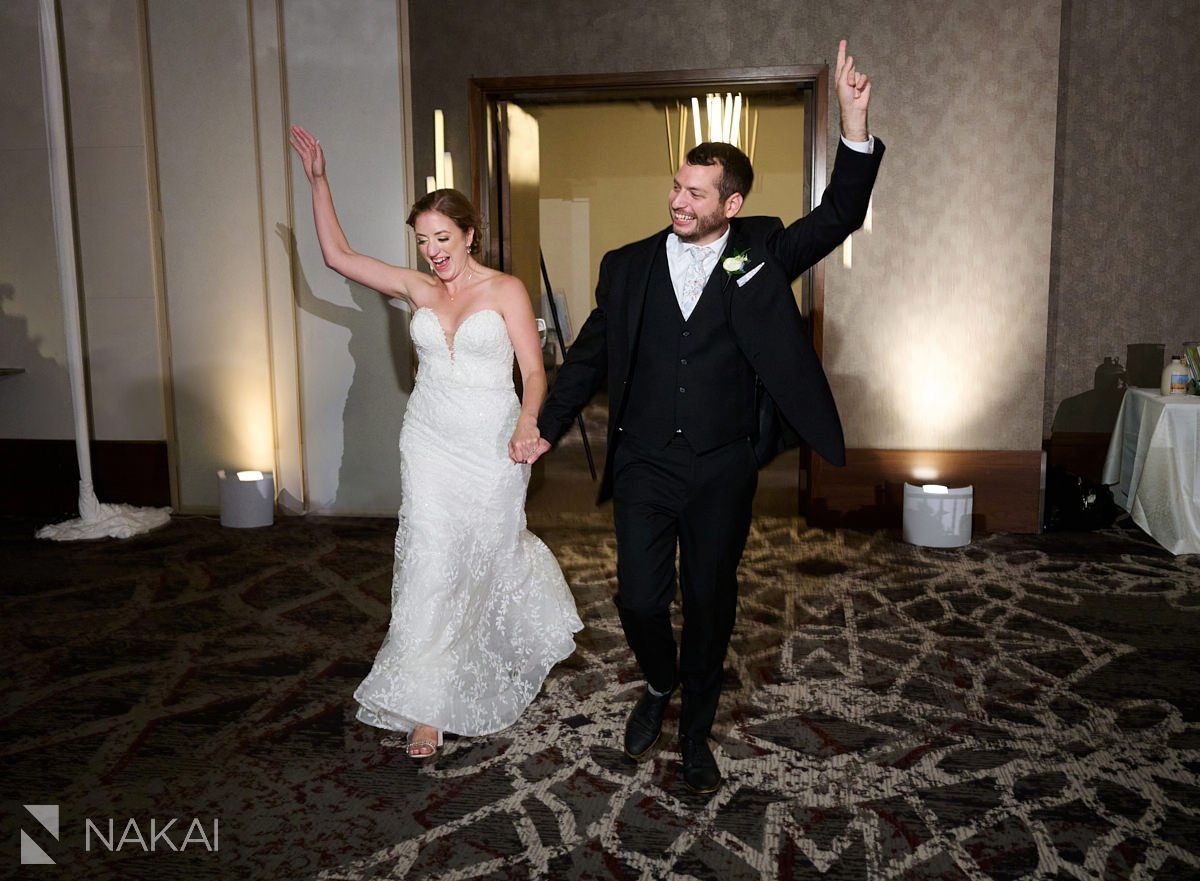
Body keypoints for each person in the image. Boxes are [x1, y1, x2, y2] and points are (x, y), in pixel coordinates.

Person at [529, 41, 882, 793]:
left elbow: (843, 211)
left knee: (712, 601)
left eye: (698, 194)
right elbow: (588, 357)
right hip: (644, 460)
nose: (679, 202)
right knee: (638, 597)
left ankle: (695, 728)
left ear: (732, 204)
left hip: (723, 463)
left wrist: (854, 125)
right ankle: (658, 680)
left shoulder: (764, 253)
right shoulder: (626, 268)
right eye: (677, 187)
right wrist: (546, 426)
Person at [289, 126, 582, 760]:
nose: (432, 253)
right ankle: (428, 707)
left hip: (493, 443)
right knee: (429, 561)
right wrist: (318, 183)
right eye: (422, 242)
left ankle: (480, 662)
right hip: (428, 441)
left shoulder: (505, 290)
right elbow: (339, 258)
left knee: (485, 554)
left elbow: (534, 373)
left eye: (442, 239)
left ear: (469, 234)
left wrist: (529, 422)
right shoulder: (417, 289)